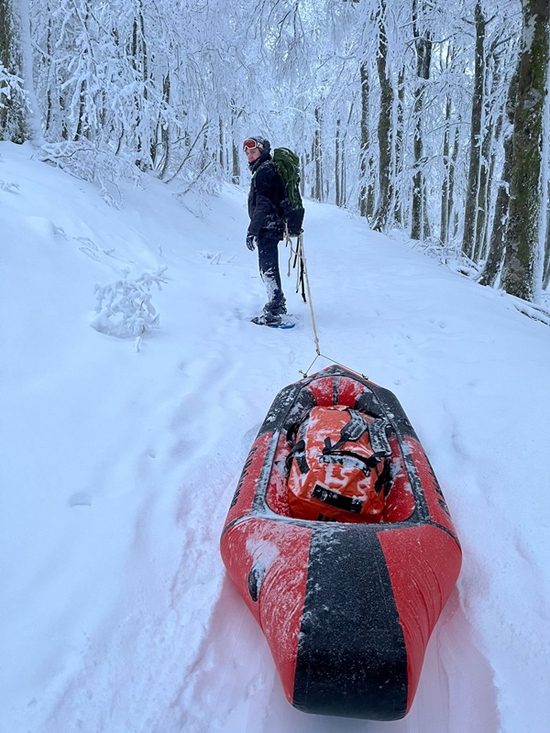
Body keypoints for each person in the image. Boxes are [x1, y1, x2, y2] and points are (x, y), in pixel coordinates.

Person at [243, 136, 287, 326]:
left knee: (267, 268)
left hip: (267, 226)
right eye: (248, 153)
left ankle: (274, 311)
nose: (250, 157)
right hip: (271, 225)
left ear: (263, 152)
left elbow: (263, 203)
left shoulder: (264, 172)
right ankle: (278, 304)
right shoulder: (266, 170)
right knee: (269, 267)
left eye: (254, 152)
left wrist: (252, 230)